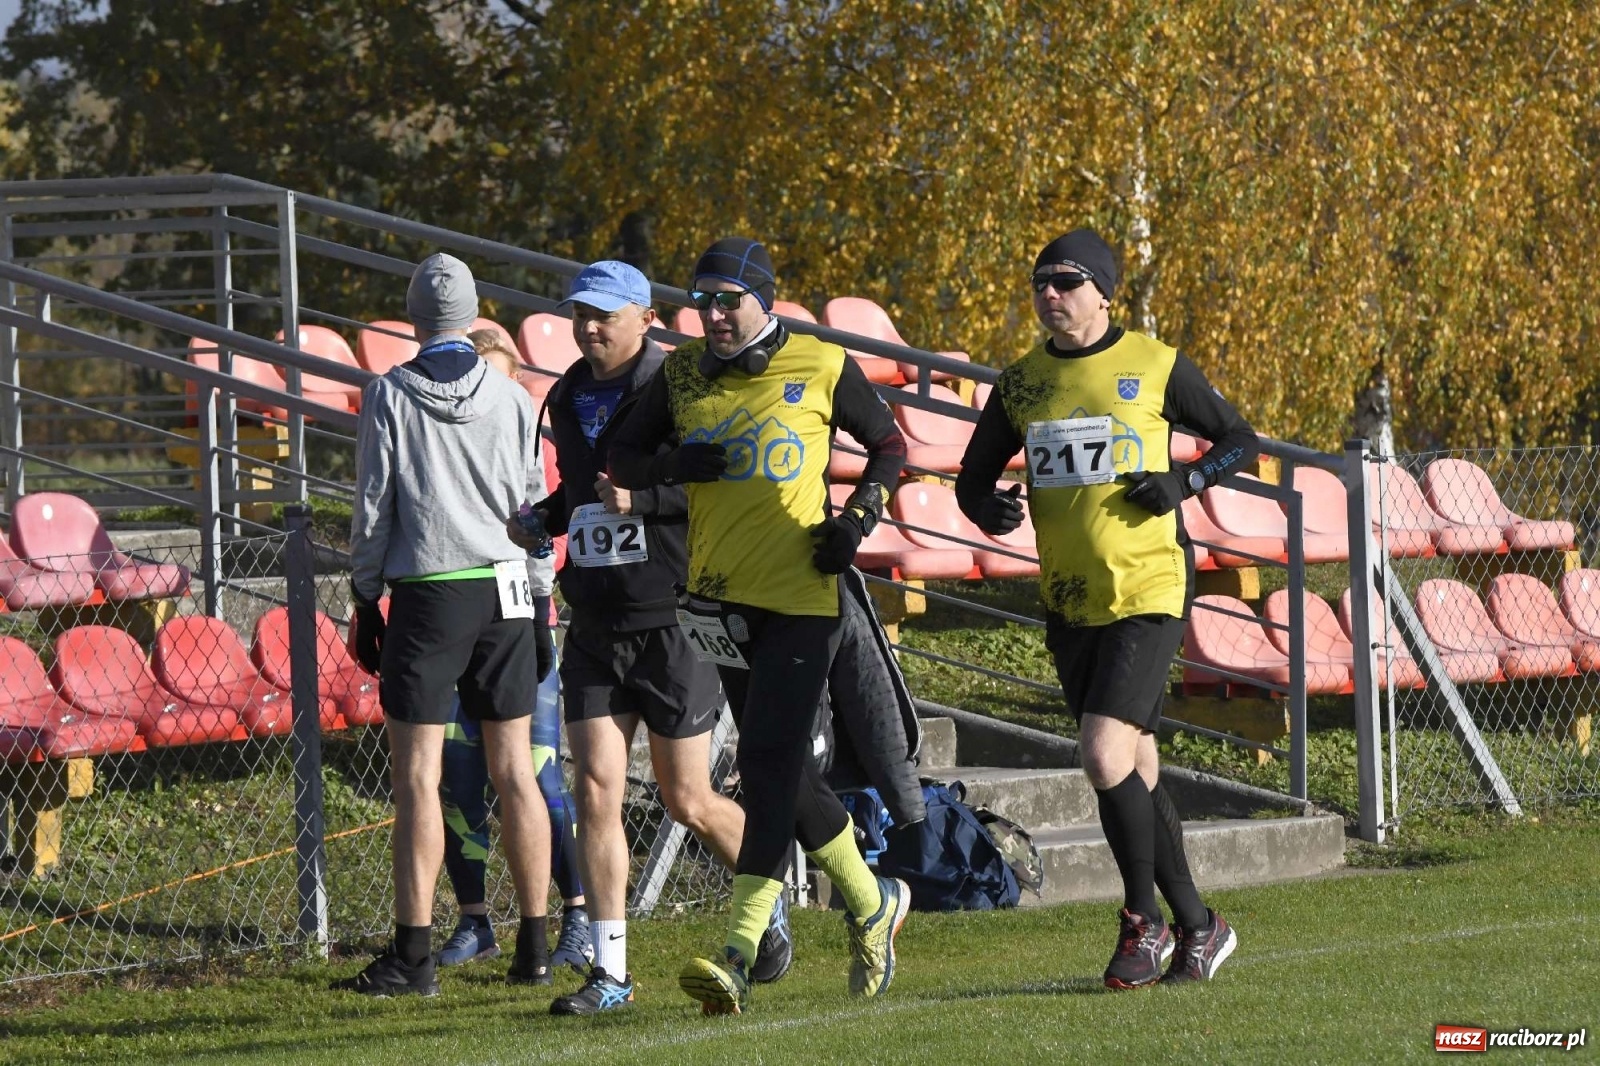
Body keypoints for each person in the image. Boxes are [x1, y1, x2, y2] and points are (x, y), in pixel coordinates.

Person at [608, 237, 911, 1015]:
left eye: (726, 300)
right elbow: (621, 457)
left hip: (806, 601)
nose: (710, 314)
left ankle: (741, 952)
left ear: (764, 301)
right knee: (785, 769)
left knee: (769, 764)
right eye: (700, 299)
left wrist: (856, 522)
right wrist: (674, 467)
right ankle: (872, 903)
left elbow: (888, 445)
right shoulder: (680, 376)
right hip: (715, 603)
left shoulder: (817, 361)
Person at [954, 228, 1251, 989]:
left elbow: (1237, 439)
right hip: (1070, 598)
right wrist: (987, 509)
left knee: (1101, 755)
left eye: (1067, 281)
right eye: (1040, 283)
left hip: (1149, 590)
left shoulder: (1153, 365)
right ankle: (1199, 926)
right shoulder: (1021, 382)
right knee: (1137, 763)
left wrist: (1181, 485)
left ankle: (1141, 920)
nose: (1050, 295)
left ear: (1103, 291)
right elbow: (972, 477)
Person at [507, 261, 791, 1016]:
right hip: (596, 621)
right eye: (578, 314)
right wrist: (545, 516)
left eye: (603, 314)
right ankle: (610, 973)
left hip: (673, 617)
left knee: (686, 797)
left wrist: (648, 496)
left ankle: (770, 890)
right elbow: (581, 489)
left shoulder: (686, 384)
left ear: (646, 317)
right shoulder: (567, 393)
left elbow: (723, 482)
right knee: (594, 788)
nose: (588, 327)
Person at [336, 252, 556, 996]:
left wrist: (367, 596)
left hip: (430, 588)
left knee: (419, 778)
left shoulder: (389, 393)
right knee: (516, 771)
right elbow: (533, 505)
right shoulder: (513, 396)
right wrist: (542, 594)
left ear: (414, 317)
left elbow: (374, 504)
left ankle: (415, 953)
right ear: (470, 315)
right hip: (504, 585)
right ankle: (535, 940)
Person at [432, 331, 592, 974]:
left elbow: (543, 533)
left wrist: (536, 614)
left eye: (500, 382)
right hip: (454, 626)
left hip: (523, 626)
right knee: (456, 782)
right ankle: (476, 922)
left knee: (538, 775)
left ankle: (576, 912)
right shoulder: (444, 434)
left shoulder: (532, 439)